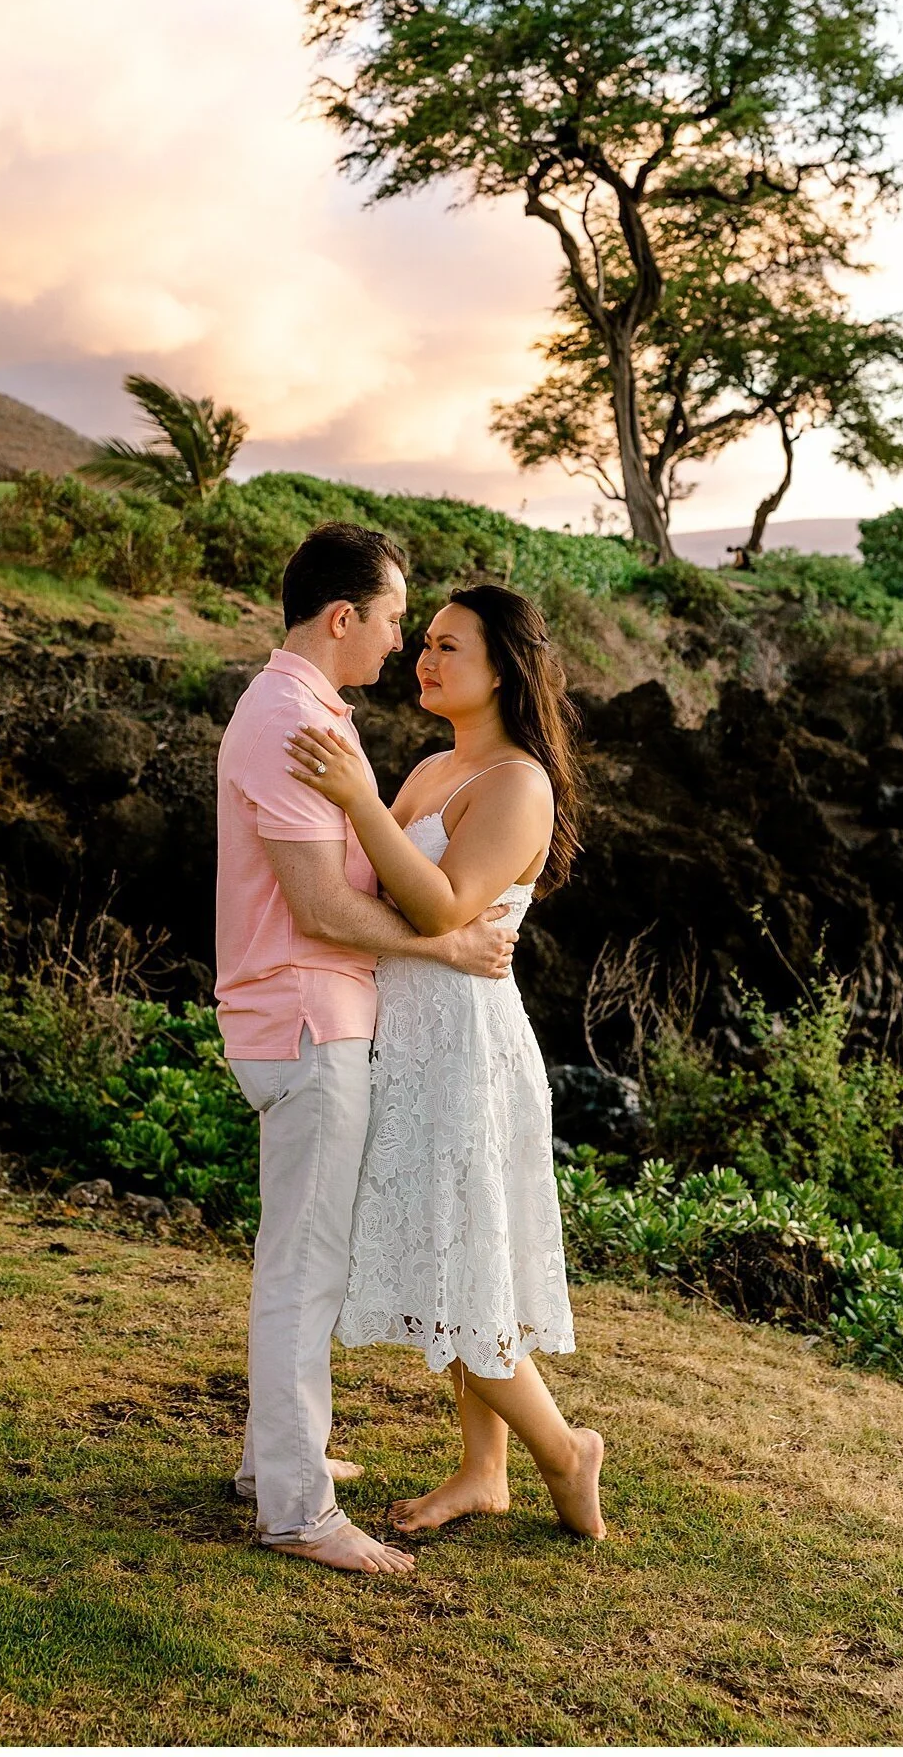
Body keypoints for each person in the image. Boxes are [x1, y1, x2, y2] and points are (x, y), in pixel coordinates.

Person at [216, 524, 519, 1577]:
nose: (400, 643)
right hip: (306, 1017)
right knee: (304, 1271)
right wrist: (451, 941)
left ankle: (274, 1462)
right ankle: (297, 1509)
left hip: (312, 1014)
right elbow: (318, 904)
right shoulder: (291, 717)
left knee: (299, 1261)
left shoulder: (306, 712)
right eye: (395, 619)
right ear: (343, 617)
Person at [284, 582, 605, 1541]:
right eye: (421, 642)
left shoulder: (518, 784)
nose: (424, 659)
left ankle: (565, 1450)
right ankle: (483, 1469)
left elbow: (439, 907)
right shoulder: (430, 768)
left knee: (468, 1265)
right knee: (455, 1258)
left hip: (468, 1047)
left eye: (448, 647)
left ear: (503, 668)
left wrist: (351, 796)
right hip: (413, 1034)